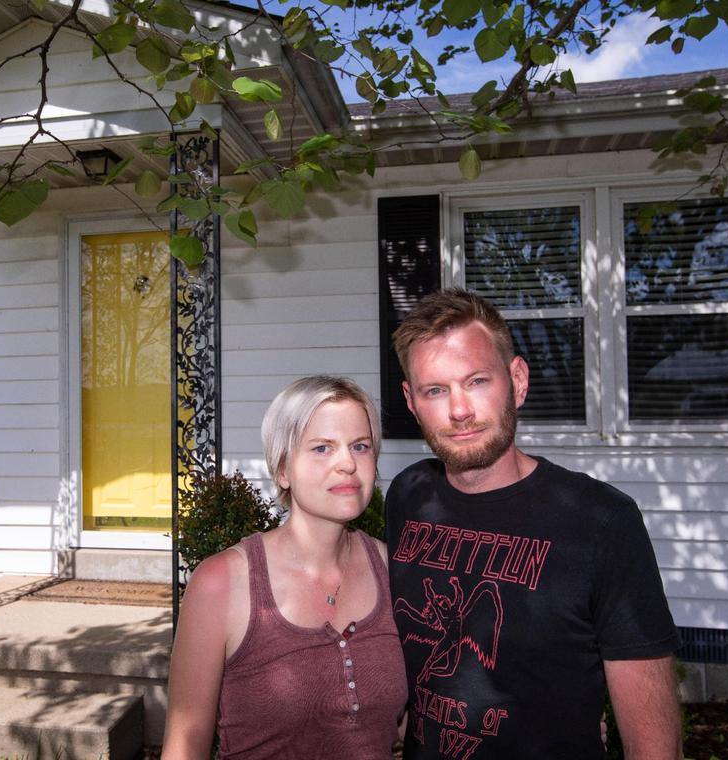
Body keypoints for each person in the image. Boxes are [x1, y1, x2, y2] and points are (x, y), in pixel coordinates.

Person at [385, 288, 683, 760]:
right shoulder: (407, 495)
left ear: (517, 380)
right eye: (435, 390)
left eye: (477, 381)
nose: (459, 410)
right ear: (411, 401)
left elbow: (654, 744)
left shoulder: (599, 521)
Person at [162, 376, 408, 759]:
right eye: (322, 448)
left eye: (360, 446)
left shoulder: (394, 571)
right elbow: (184, 747)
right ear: (282, 469)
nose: (346, 463)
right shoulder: (223, 583)